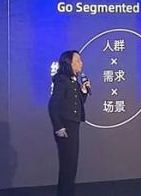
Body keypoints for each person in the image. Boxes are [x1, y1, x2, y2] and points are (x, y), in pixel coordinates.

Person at [48, 50, 91, 196]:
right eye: (77, 61)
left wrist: (83, 91)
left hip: (74, 125)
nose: (81, 63)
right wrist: (58, 127)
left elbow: (77, 103)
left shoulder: (73, 81)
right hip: (65, 127)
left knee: (72, 165)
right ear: (69, 63)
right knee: (67, 165)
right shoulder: (62, 80)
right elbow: (53, 105)